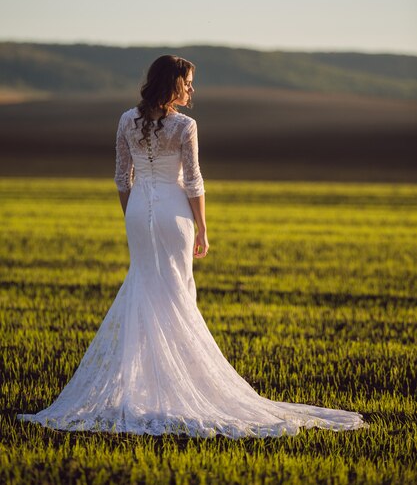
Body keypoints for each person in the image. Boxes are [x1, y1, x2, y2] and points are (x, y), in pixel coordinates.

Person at [17, 55, 368, 438]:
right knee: (177, 295)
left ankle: (146, 388)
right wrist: (202, 227)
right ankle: (177, 387)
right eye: (187, 83)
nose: (191, 90)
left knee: (146, 290)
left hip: (137, 211)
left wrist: (132, 214)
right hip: (174, 213)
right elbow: (194, 182)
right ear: (172, 85)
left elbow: (122, 176)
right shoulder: (186, 125)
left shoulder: (125, 120)